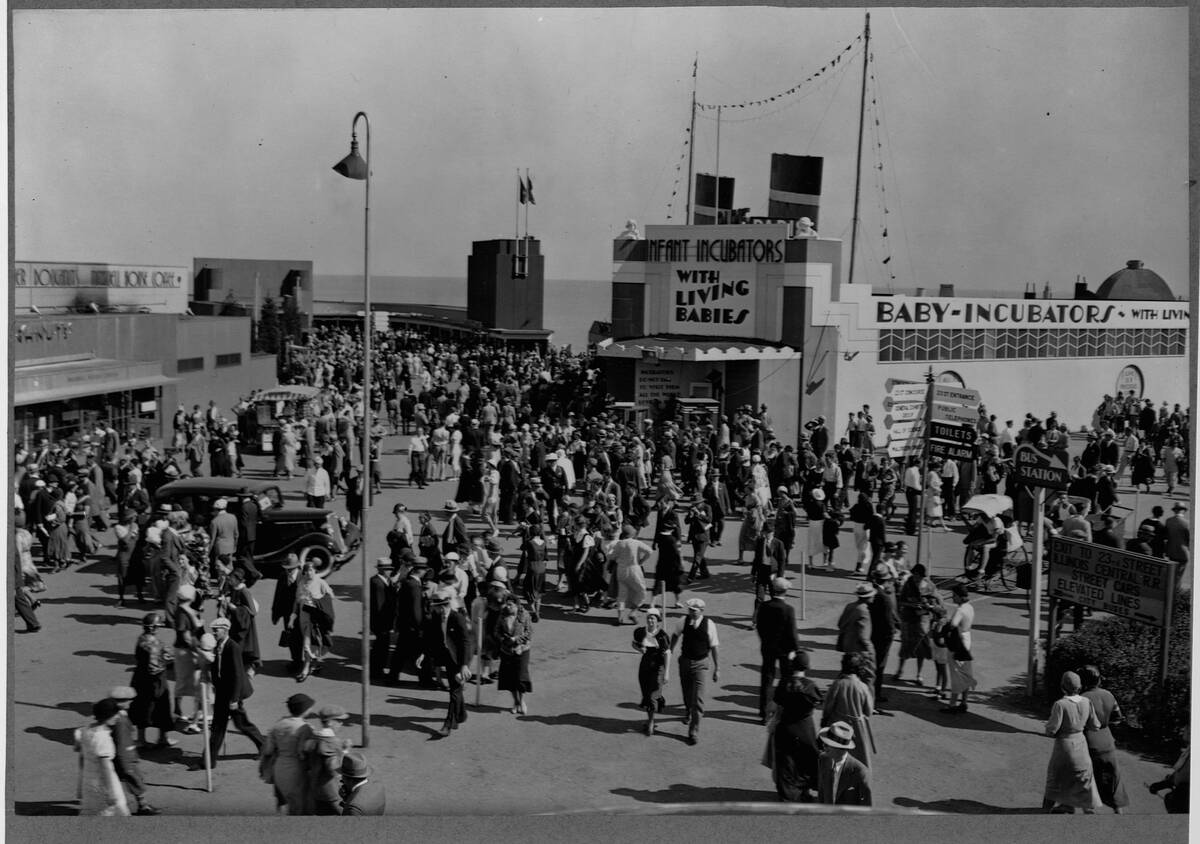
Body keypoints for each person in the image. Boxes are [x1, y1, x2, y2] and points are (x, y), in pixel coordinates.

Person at [196, 616, 264, 769]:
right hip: (221, 692)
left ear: (225, 630)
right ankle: (208, 761)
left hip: (233, 694)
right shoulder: (218, 644)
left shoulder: (233, 647)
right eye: (213, 630)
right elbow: (216, 666)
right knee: (218, 727)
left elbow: (238, 675)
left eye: (216, 630)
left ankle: (264, 747)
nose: (213, 633)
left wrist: (234, 699)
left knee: (242, 724)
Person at [1042, 671, 1102, 813]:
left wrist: (1048, 726)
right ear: (1079, 686)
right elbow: (1095, 726)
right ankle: (1085, 809)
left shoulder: (1060, 704)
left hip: (1064, 745)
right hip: (1081, 744)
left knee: (1055, 779)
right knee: (1083, 778)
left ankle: (1047, 810)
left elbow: (1051, 730)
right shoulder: (1087, 702)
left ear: (1063, 686)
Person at [767, 651, 823, 802]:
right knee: (805, 761)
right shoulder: (811, 686)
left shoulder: (784, 683)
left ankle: (787, 796)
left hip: (785, 727)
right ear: (807, 666)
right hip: (805, 728)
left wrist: (771, 719)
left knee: (786, 764)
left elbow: (773, 706)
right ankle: (804, 792)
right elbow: (818, 703)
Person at [1078, 665, 1129, 813]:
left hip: (1089, 742)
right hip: (1107, 741)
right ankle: (1118, 810)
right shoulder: (1109, 695)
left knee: (1087, 778)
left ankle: (1089, 811)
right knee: (1114, 778)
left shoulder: (1082, 699)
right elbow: (1117, 718)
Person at [424, 587, 475, 737]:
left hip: (459, 658)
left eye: (436, 607)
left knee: (454, 691)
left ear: (444, 606)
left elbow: (466, 642)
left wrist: (464, 665)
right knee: (456, 688)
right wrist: (424, 654)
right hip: (446, 657)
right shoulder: (436, 617)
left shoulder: (457, 618)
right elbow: (432, 637)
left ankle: (449, 724)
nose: (433, 609)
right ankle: (461, 714)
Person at [670, 597, 720, 746]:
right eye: (690, 610)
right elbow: (675, 635)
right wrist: (670, 650)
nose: (691, 613)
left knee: (698, 699)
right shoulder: (683, 621)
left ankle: (693, 732)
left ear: (701, 611)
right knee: (687, 693)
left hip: (701, 664)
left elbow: (714, 646)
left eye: (694, 611)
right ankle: (687, 711)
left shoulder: (709, 625)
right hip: (685, 662)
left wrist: (717, 668)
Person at [107, 686, 162, 815]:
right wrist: (128, 762)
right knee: (134, 780)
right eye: (128, 700)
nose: (130, 702)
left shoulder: (115, 717)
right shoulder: (120, 720)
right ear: (120, 702)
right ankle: (143, 806)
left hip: (121, 757)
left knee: (129, 781)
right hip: (125, 758)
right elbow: (122, 743)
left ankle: (141, 805)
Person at [259, 692, 315, 815]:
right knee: (299, 806)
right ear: (305, 710)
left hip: (279, 768)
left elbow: (268, 750)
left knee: (288, 803)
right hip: (296, 769)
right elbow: (304, 752)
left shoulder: (278, 724)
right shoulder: (306, 728)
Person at [74, 698, 130, 816]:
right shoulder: (102, 738)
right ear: (108, 716)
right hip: (103, 783)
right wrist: (111, 792)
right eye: (115, 714)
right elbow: (105, 767)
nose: (117, 717)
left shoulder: (86, 729)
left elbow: (79, 751)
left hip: (88, 781)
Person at [755, 577, 799, 722]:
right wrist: (795, 649)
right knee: (786, 679)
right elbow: (792, 633)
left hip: (768, 646)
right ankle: (784, 708)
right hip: (785, 650)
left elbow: (760, 626)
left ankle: (764, 713)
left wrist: (765, 641)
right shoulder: (788, 609)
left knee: (767, 679)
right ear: (785, 591)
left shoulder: (764, 606)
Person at [822, 652, 874, 770]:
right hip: (857, 729)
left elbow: (828, 707)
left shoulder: (838, 684)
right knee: (859, 761)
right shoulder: (862, 687)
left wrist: (824, 721)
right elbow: (868, 711)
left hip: (838, 727)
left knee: (835, 760)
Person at [130, 612, 175, 749]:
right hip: (156, 680)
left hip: (140, 677)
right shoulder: (155, 644)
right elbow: (155, 665)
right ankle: (163, 738)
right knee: (162, 707)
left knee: (141, 707)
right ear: (154, 627)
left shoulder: (141, 639)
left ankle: (141, 738)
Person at [894, 563, 940, 686]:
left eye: (919, 577)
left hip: (923, 620)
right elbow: (901, 601)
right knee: (905, 645)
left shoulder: (929, 586)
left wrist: (929, 606)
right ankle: (900, 670)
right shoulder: (908, 584)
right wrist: (912, 605)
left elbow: (938, 601)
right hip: (908, 619)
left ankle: (919, 674)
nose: (916, 579)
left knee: (921, 648)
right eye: (915, 576)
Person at [303, 704, 351, 815]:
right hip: (330, 793)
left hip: (314, 788)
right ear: (329, 722)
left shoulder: (313, 738)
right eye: (338, 720)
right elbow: (334, 770)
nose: (341, 723)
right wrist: (345, 751)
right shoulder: (332, 743)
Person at [293, 561, 335, 682]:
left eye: (311, 570)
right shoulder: (301, 583)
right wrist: (293, 616)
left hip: (315, 617)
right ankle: (314, 663)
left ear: (315, 571)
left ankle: (305, 669)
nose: (309, 573)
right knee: (313, 643)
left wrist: (317, 602)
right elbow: (297, 601)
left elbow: (330, 595)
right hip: (303, 616)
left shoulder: (321, 582)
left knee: (309, 642)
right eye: (307, 571)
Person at [632, 607, 671, 736]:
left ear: (657, 620)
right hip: (645, 665)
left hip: (658, 666)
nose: (650, 620)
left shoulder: (662, 636)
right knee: (646, 693)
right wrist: (639, 649)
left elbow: (667, 653)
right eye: (648, 618)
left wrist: (666, 672)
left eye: (653, 618)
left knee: (652, 695)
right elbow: (633, 643)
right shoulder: (641, 632)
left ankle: (650, 722)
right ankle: (650, 718)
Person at [816, 721, 872, 807]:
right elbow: (821, 792)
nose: (824, 746)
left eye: (828, 744)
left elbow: (866, 806)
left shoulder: (861, 772)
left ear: (841, 749)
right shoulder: (823, 759)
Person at [941, 583, 977, 713]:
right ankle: (964, 701)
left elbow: (952, 625)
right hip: (967, 639)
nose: (952, 598)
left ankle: (952, 704)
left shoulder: (960, 610)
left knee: (956, 673)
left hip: (958, 642)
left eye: (954, 595)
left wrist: (942, 631)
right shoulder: (970, 607)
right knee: (966, 671)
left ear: (959, 596)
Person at [605, 523, 651, 625]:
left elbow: (610, 556)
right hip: (635, 568)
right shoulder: (636, 542)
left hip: (621, 570)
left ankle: (620, 617)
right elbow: (649, 551)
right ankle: (633, 612)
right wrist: (642, 561)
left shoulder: (619, 544)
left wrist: (616, 556)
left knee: (621, 594)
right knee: (641, 591)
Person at [496, 593, 533, 715]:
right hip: (507, 651)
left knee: (520, 678)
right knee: (509, 678)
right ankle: (515, 702)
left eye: (510, 605)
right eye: (506, 604)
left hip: (522, 650)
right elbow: (496, 631)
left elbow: (529, 632)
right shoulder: (502, 615)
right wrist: (503, 640)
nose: (507, 607)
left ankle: (522, 701)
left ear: (516, 605)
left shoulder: (524, 615)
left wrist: (516, 639)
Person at [836, 584, 876, 686]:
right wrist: (870, 650)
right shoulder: (864, 611)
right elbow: (863, 635)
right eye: (872, 595)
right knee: (868, 677)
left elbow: (840, 624)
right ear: (867, 597)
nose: (873, 597)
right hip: (860, 649)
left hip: (847, 645)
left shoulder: (849, 606)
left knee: (846, 673)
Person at [1148, 730, 1190, 814]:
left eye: (1187, 729)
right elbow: (1182, 771)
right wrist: (1164, 783)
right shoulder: (1190, 749)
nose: (1183, 730)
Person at [369, 557, 397, 679]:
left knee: (382, 646)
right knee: (380, 647)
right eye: (387, 569)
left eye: (390, 569)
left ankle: (377, 669)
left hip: (384, 621)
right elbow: (380, 605)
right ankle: (377, 671)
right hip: (381, 621)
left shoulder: (385, 581)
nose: (389, 571)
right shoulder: (378, 583)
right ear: (381, 570)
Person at [338, 751, 386, 815]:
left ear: (348, 779)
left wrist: (349, 802)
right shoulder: (379, 786)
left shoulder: (353, 810)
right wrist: (349, 797)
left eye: (342, 776)